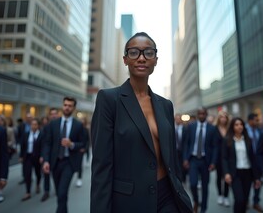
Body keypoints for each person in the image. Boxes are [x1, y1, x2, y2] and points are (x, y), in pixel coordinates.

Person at [90, 32, 192, 213]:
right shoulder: (109, 99)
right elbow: (101, 164)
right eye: (134, 52)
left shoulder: (165, 105)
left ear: (156, 60)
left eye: (148, 53)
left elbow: (171, 157)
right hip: (129, 202)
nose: (142, 58)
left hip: (168, 197)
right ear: (125, 59)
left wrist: (181, 192)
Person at [42, 97, 85, 213]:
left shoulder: (78, 125)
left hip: (69, 163)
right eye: (65, 105)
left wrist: (71, 144)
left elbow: (82, 144)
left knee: (62, 192)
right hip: (55, 162)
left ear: (74, 108)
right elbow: (48, 143)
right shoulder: (53, 124)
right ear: (62, 106)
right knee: (60, 194)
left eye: (70, 105)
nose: (67, 107)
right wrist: (46, 160)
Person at [222, 117, 261, 213]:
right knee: (239, 199)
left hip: (247, 172)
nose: (239, 127)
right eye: (236, 124)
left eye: (241, 124)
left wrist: (256, 177)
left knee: (245, 200)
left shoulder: (248, 140)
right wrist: (226, 173)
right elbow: (224, 158)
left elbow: (253, 159)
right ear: (232, 127)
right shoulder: (228, 140)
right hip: (235, 173)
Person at [183, 107, 218, 213]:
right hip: (193, 159)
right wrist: (185, 158)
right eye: (200, 114)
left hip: (205, 160)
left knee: (205, 186)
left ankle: (203, 208)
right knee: (193, 184)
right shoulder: (191, 126)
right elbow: (186, 143)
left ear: (206, 115)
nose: (202, 115)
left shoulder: (212, 128)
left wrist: (213, 162)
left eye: (203, 114)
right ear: (197, 115)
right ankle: (196, 201)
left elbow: (215, 146)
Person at [0, 115, 15, 203]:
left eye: (1, 120)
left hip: (2, 154)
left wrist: (5, 145)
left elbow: (12, 141)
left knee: (0, 173)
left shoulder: (8, 130)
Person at [19, 118, 43, 201]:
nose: (33, 126)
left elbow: (44, 147)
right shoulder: (26, 134)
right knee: (27, 174)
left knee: (38, 173)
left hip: (37, 157)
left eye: (35, 124)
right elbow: (23, 146)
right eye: (32, 124)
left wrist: (42, 156)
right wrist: (21, 156)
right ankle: (28, 192)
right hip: (28, 157)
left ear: (38, 126)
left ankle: (38, 184)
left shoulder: (41, 135)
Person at [245, 113, 263, 212]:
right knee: (247, 183)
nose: (258, 122)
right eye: (256, 120)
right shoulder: (244, 131)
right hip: (247, 161)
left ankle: (256, 202)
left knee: (258, 182)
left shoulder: (260, 131)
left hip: (258, 161)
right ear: (250, 120)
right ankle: (246, 201)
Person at [41, 107, 59, 202]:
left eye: (55, 113)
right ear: (49, 116)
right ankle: (46, 191)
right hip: (47, 155)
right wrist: (42, 156)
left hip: (57, 156)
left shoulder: (61, 126)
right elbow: (44, 143)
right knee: (46, 174)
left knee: (56, 174)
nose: (53, 116)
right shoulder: (46, 127)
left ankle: (57, 189)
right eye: (52, 114)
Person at [214, 110, 230, 207]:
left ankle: (226, 196)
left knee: (227, 176)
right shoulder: (214, 128)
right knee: (219, 177)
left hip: (228, 157)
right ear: (218, 118)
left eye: (225, 117)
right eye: (221, 117)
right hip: (218, 157)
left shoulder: (230, 129)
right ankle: (220, 195)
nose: (223, 119)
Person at [75, 116, 89, 188]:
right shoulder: (76, 128)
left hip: (81, 150)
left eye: (83, 120)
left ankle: (79, 178)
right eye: (81, 120)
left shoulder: (86, 130)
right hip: (74, 150)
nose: (81, 121)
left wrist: (85, 149)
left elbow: (87, 141)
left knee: (80, 165)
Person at [174, 113, 188, 183]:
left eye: (179, 119)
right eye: (176, 119)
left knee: (183, 165)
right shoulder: (172, 127)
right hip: (175, 150)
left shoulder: (185, 128)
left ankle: (183, 178)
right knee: (176, 165)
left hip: (182, 150)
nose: (178, 120)